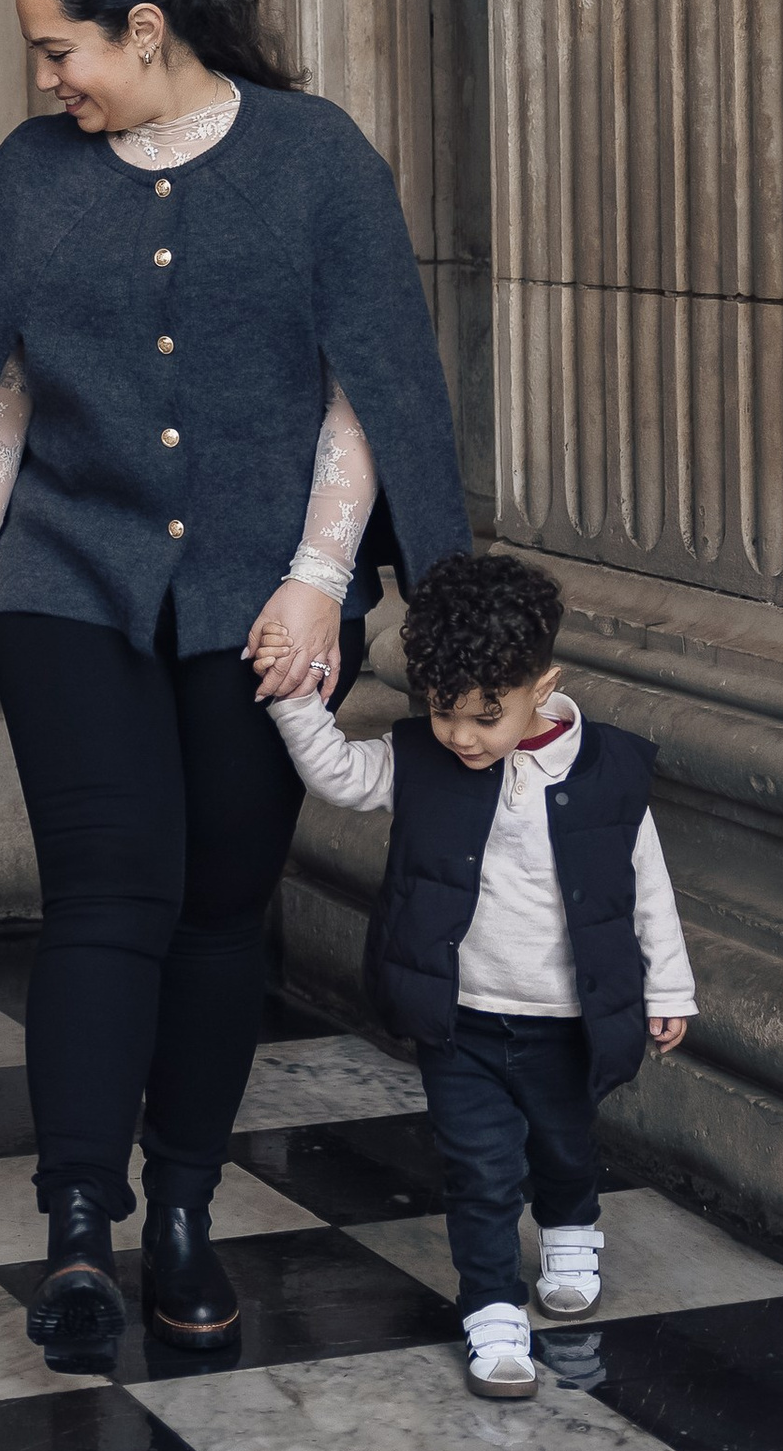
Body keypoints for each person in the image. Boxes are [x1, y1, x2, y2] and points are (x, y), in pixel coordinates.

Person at [0, 0, 471, 1372]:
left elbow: (368, 384)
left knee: (223, 903)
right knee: (106, 889)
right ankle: (80, 1227)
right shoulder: (25, 180)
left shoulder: (316, 158)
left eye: (58, 50)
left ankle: (187, 1214)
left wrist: (319, 576)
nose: (45, 83)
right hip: (64, 580)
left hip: (260, 595)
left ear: (147, 31)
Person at [271, 548, 695, 1398]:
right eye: (442, 711)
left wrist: (670, 986)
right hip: (460, 1017)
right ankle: (492, 1313)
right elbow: (343, 777)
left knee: (565, 1149)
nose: (461, 735)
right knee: (481, 1168)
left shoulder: (605, 773)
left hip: (565, 1017)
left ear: (544, 685)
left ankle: (573, 1229)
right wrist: (292, 702)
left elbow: (644, 883)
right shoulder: (424, 761)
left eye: (484, 716)